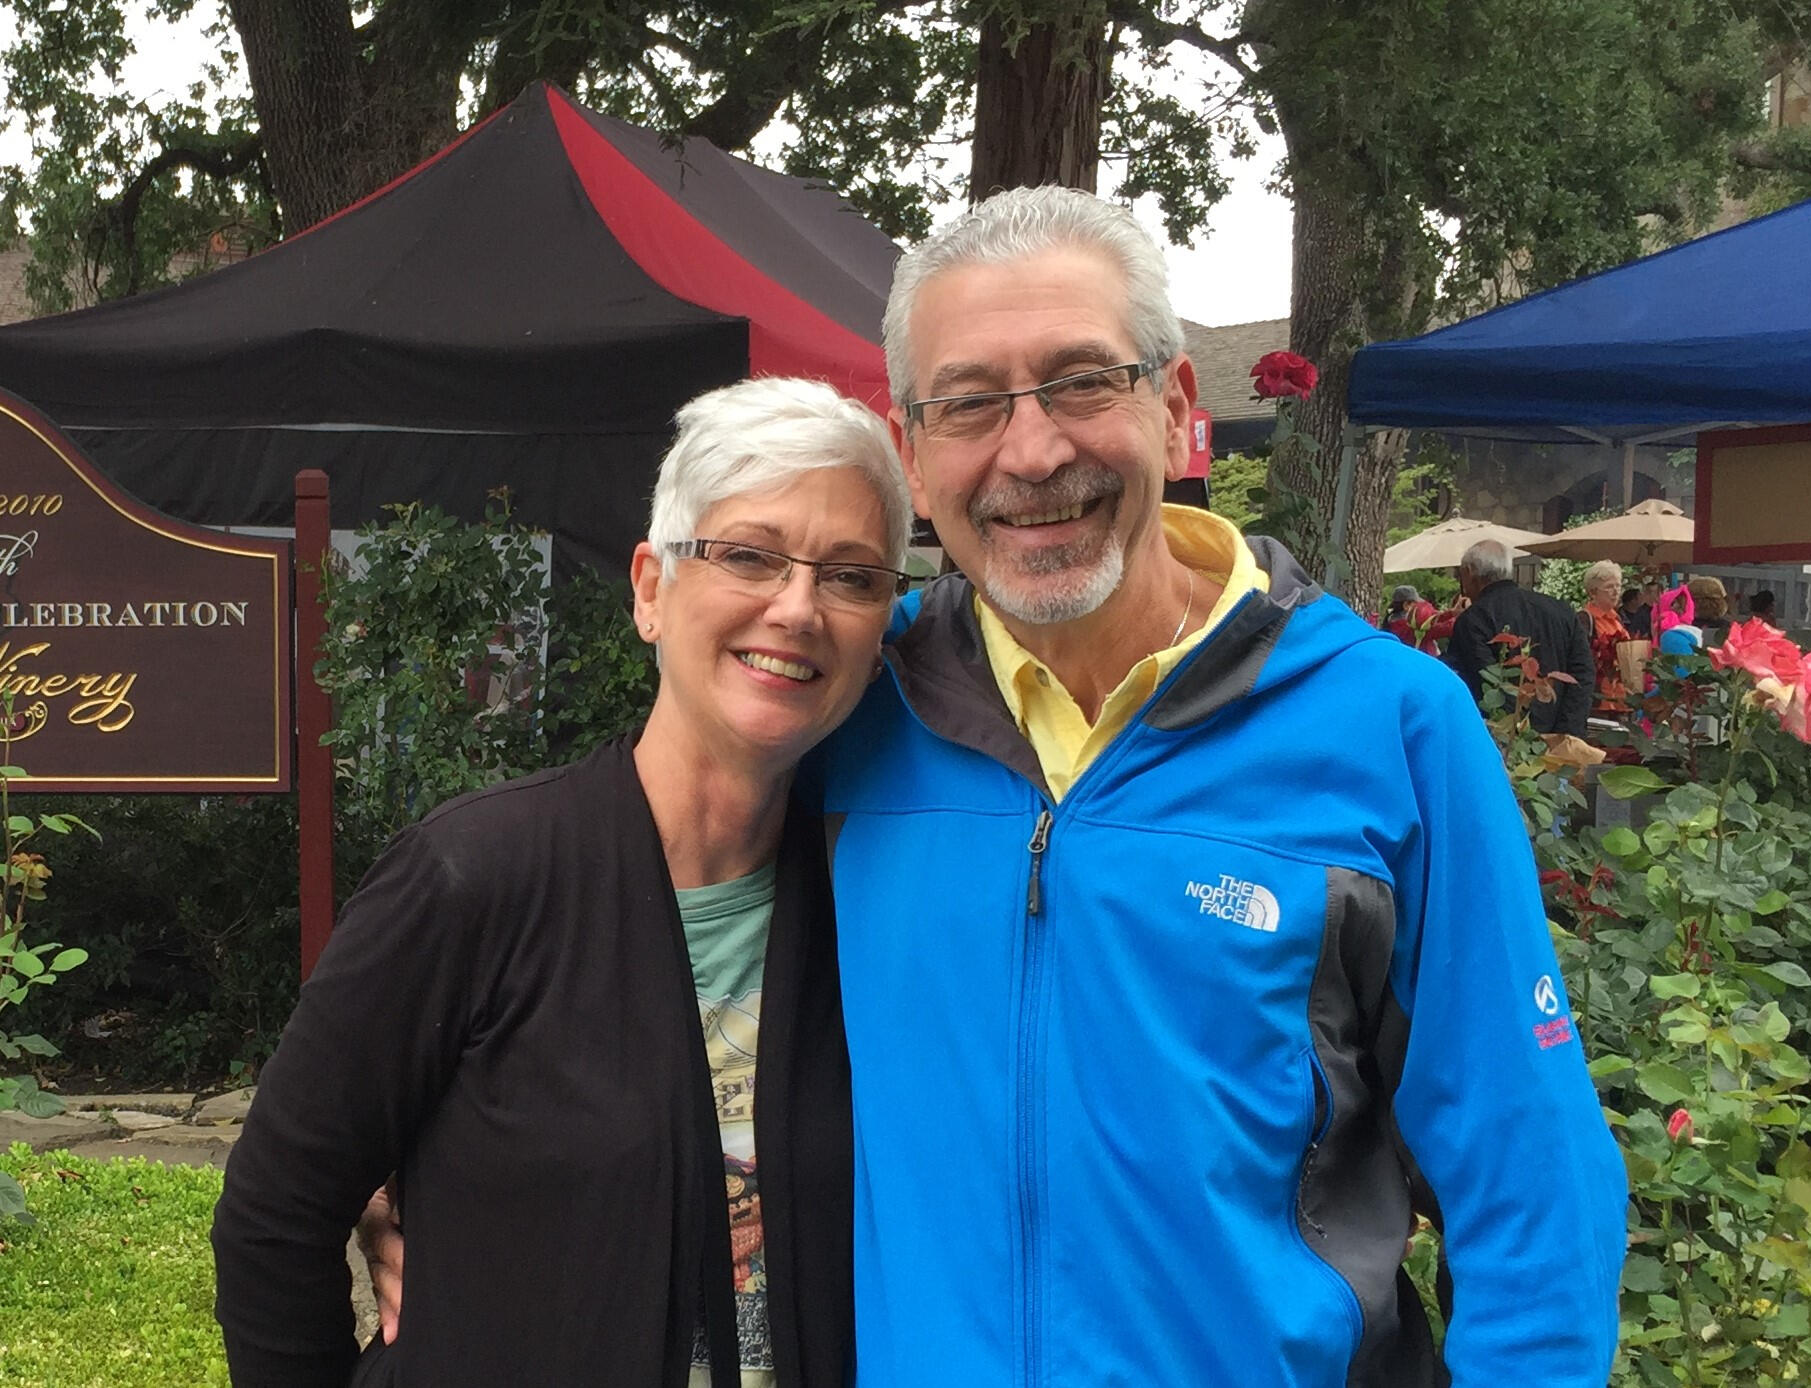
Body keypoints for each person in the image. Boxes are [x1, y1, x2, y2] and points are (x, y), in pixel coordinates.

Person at [371, 189, 1627, 1384]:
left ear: (1178, 404)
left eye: (1083, 381)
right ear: (915, 456)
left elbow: (1534, 1197)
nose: (1031, 452)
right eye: (969, 405)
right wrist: (414, 1148)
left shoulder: (1390, 730)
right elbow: (632, 901)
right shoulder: (859, 702)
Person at [213, 377, 913, 1387]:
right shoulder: (475, 880)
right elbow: (275, 1215)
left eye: (850, 576)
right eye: (749, 554)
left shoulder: (880, 906)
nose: (797, 607)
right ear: (651, 587)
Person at [1445, 539, 1595, 734]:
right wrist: (1568, 731)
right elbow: (1583, 674)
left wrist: (1518, 737)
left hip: (1504, 742)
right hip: (1560, 737)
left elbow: (1485, 684)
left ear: (1470, 572)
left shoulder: (1473, 620)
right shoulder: (1561, 611)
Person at [1577, 560, 1632, 718]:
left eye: (1618, 586)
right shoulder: (1585, 619)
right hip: (1597, 701)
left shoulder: (1618, 620)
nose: (1615, 592)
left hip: (1621, 699)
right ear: (1593, 592)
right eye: (1609, 587)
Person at [1382, 583, 1461, 656]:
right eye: (1416, 604)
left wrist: (1452, 613)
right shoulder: (1411, 628)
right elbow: (1443, 628)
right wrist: (1457, 615)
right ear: (1406, 605)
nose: (1419, 607)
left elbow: (1434, 618)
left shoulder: (1393, 622)